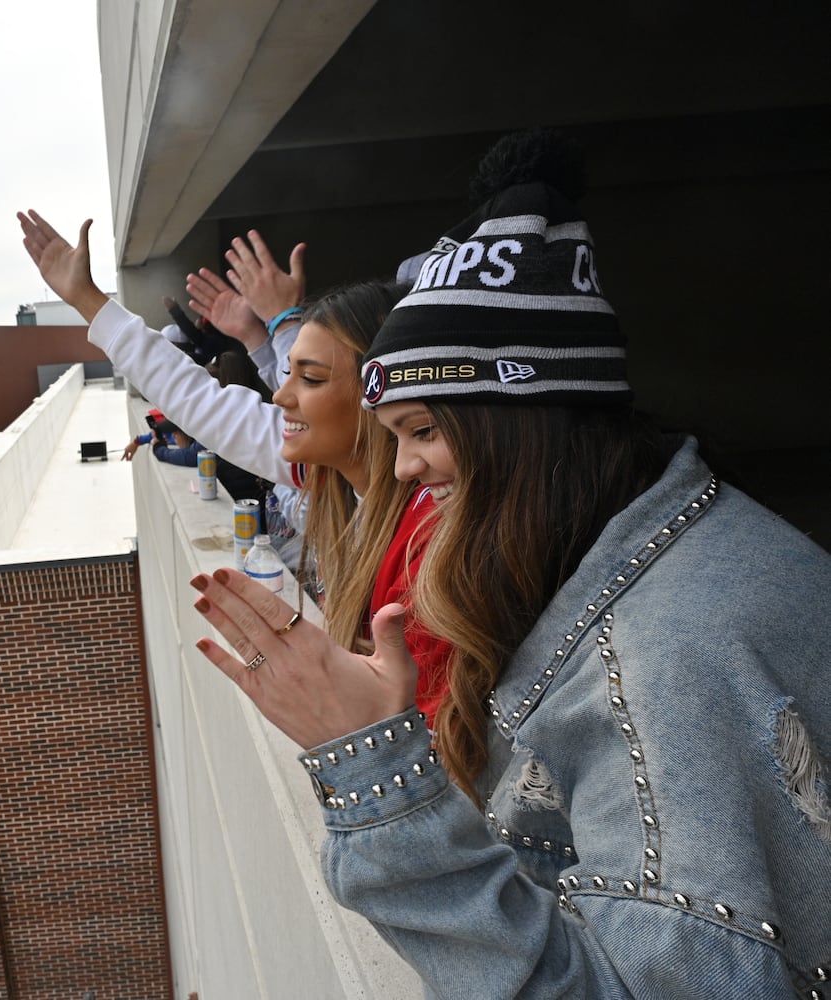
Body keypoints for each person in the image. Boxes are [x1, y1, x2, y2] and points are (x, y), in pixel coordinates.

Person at [188, 133, 831, 995]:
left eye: (423, 431)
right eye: (395, 439)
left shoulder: (664, 665)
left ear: (516, 422)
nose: (407, 469)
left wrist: (375, 771)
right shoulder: (675, 541)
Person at [19, 209, 454, 712]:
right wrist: (88, 301)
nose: (280, 395)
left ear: (377, 395)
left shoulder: (431, 533)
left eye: (308, 379)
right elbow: (198, 400)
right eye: (286, 371)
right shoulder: (328, 469)